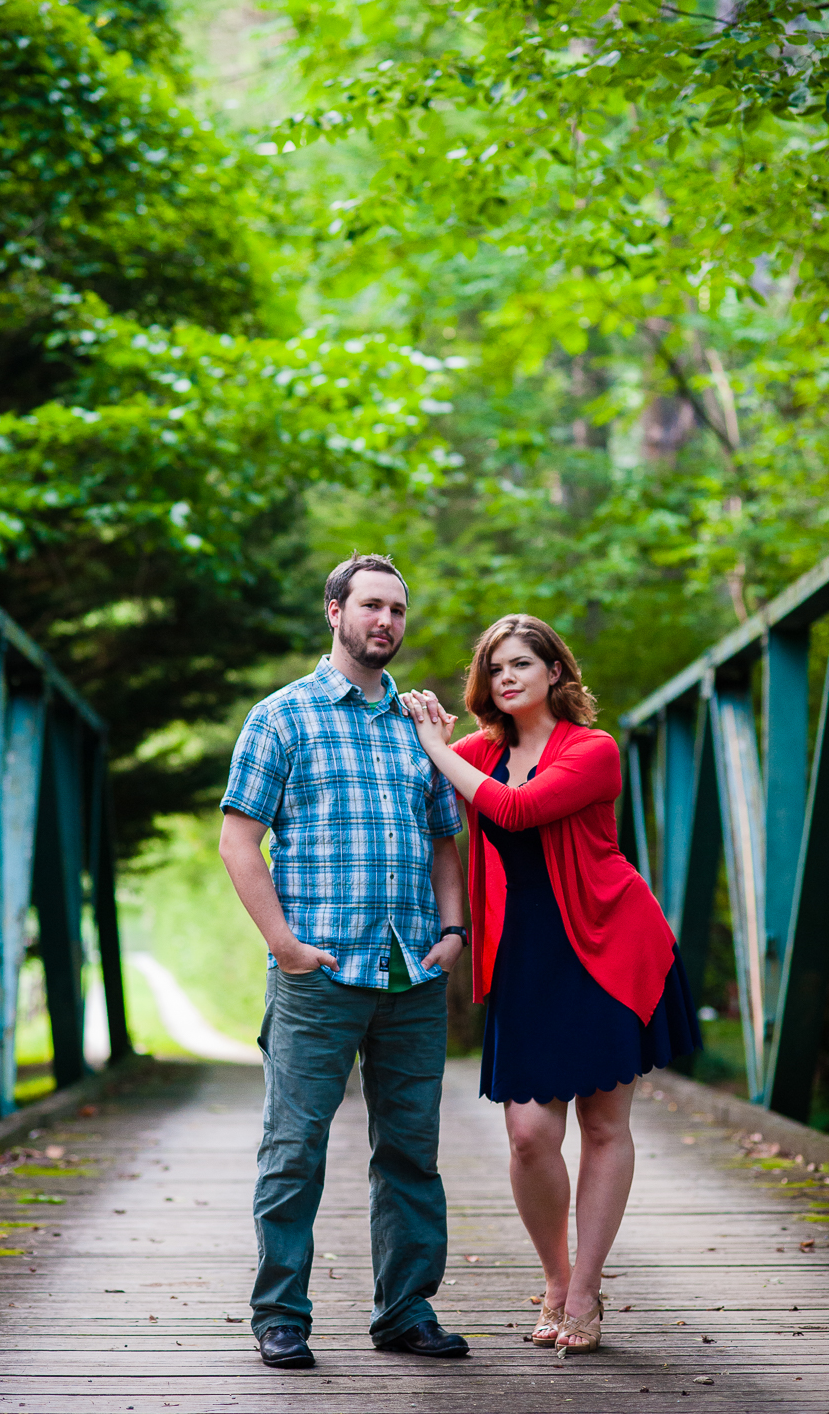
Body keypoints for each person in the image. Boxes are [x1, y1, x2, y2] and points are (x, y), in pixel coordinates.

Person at [403, 614, 701, 1357]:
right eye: (495, 667)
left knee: (603, 1126)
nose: (506, 677)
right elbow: (424, 778)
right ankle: (555, 1276)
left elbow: (515, 808)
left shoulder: (594, 752)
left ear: (555, 675)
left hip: (607, 947)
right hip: (527, 959)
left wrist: (439, 747)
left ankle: (585, 1289)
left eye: (521, 665)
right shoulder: (479, 750)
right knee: (530, 1135)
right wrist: (421, 730)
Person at [219, 553, 471, 1370]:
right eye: (370, 607)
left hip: (411, 973)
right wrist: (285, 947)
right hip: (318, 974)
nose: (386, 623)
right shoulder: (281, 718)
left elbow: (444, 841)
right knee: (293, 1147)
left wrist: (454, 932)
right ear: (335, 612)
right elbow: (238, 842)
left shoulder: (419, 725)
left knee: (410, 1152)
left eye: (397, 610)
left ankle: (406, 1312)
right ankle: (280, 1314)